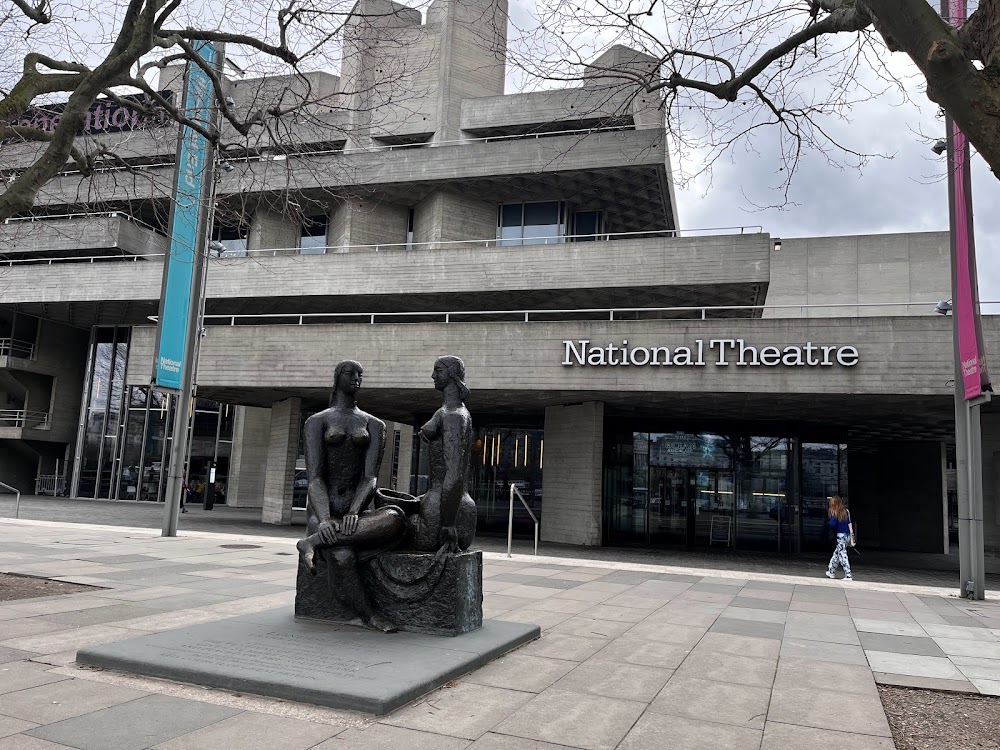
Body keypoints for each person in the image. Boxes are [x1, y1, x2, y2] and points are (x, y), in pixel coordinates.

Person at [295, 360, 406, 632]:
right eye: (350, 373)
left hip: (359, 516)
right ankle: (369, 615)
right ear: (337, 377)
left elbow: (370, 478)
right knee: (342, 556)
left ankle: (311, 543)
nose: (356, 378)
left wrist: (355, 511)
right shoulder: (317, 421)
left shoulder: (375, 424)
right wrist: (323, 519)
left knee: (395, 518)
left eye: (360, 375)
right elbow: (315, 478)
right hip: (325, 513)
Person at [407, 356, 477, 553]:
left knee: (394, 524)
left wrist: (448, 524)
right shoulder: (448, 411)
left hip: (444, 510)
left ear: (452, 374)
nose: (432, 376)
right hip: (451, 506)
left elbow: (453, 475)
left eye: (438, 371)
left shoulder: (453, 415)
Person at [825, 495, 853, 581]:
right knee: (837, 554)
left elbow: (832, 524)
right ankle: (831, 571)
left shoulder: (835, 512)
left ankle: (848, 574)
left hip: (840, 535)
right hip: (847, 535)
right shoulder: (846, 511)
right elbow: (849, 523)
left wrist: (828, 523)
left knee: (842, 555)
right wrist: (852, 534)